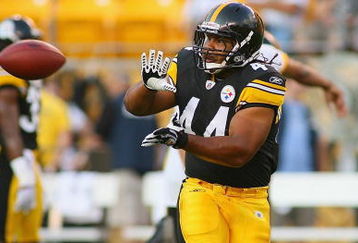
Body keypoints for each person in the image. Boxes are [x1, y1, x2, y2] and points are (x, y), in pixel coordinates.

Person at [125, 2, 286, 242]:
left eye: (220, 40)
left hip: (248, 197)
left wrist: (183, 140)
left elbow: (239, 151)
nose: (208, 47)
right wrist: (147, 87)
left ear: (245, 44)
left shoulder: (263, 79)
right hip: (200, 188)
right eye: (206, 37)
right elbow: (137, 107)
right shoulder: (189, 63)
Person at [0, 15, 43, 243]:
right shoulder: (7, 74)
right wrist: (23, 172)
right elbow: (8, 128)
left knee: (29, 235)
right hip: (12, 162)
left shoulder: (24, 75)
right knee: (8, 232)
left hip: (26, 159)